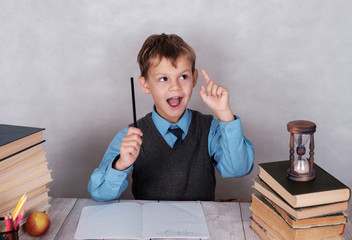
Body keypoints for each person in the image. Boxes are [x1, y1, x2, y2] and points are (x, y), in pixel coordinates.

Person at [88, 33, 254, 201]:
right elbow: (99, 193)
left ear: (194, 78)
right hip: (150, 224)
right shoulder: (130, 136)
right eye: (163, 79)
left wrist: (225, 114)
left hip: (200, 223)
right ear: (145, 84)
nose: (175, 87)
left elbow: (239, 169)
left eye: (183, 77)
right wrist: (121, 164)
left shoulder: (210, 129)